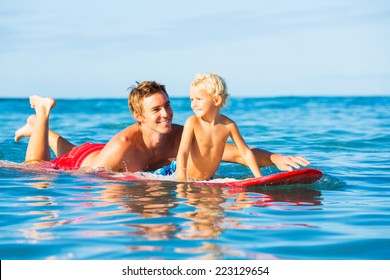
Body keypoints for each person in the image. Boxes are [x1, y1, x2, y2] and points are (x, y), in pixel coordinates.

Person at [15, 81, 310, 173]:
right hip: (85, 161)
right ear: (139, 117)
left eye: (167, 105)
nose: (166, 113)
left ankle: (41, 129)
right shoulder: (123, 145)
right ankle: (41, 114)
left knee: (77, 147)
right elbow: (87, 180)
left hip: (95, 150)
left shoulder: (184, 134)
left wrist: (273, 158)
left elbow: (235, 154)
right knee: (36, 167)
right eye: (156, 109)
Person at [176, 73, 261, 181]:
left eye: (198, 99)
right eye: (192, 99)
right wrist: (181, 178)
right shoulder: (192, 122)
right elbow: (183, 151)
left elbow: (245, 152)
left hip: (208, 179)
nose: (193, 104)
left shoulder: (229, 125)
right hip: (179, 172)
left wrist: (259, 177)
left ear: (216, 100)